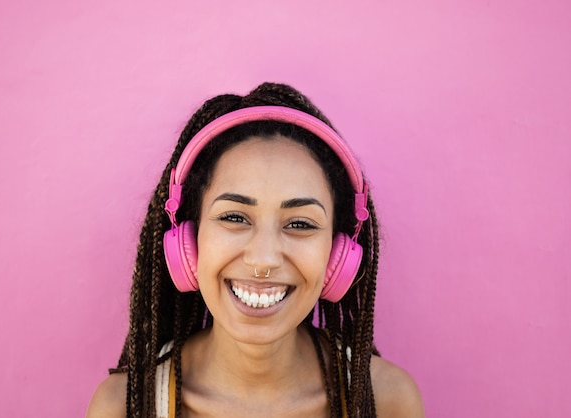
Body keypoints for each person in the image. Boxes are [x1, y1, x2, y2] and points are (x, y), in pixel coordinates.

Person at [86, 82, 425, 418]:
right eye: (234, 217)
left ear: (338, 256)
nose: (263, 260)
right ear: (188, 241)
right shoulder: (124, 407)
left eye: (300, 224)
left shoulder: (386, 402)